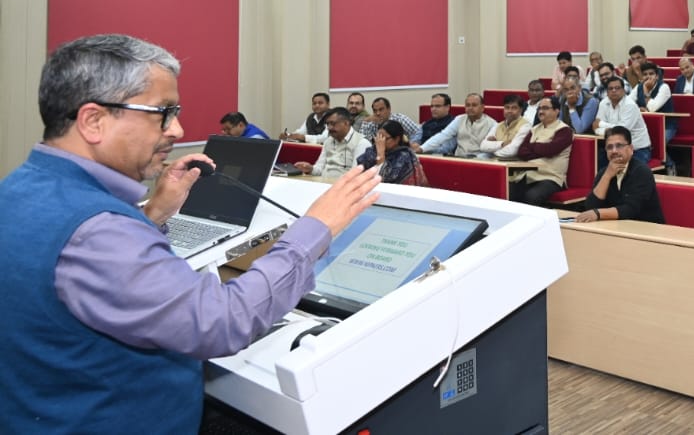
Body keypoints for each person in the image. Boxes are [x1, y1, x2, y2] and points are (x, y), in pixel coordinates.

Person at [0, 34, 380, 432]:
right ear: (94, 120)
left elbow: (86, 274)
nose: (178, 129)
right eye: (162, 112)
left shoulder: (22, 188)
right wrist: (314, 229)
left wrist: (155, 214)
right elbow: (222, 321)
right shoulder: (98, 231)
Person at [575, 126, 664, 224]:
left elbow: (631, 209)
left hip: (647, 228)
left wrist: (598, 213)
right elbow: (591, 206)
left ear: (631, 149)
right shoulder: (604, 172)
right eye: (609, 147)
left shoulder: (641, 171)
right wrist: (607, 176)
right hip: (617, 226)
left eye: (619, 146)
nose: (614, 151)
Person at [510, 98, 573, 207]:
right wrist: (541, 148)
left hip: (551, 177)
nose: (541, 111)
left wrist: (532, 146)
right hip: (528, 174)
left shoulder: (564, 130)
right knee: (507, 191)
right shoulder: (534, 129)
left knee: (531, 196)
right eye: (539, 108)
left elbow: (550, 150)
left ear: (556, 111)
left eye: (545, 108)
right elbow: (522, 152)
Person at [594, 76, 652, 167]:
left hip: (637, 149)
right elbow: (595, 127)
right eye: (610, 88)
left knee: (629, 173)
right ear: (607, 92)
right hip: (614, 148)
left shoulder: (630, 105)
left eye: (617, 88)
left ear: (624, 90)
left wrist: (602, 125)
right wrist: (601, 128)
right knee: (596, 163)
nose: (614, 91)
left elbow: (622, 132)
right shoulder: (603, 103)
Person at [296, 108, 371, 177]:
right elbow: (319, 169)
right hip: (323, 183)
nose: (329, 128)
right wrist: (310, 169)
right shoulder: (328, 141)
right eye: (327, 124)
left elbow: (356, 174)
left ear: (346, 123)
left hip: (343, 187)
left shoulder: (361, 143)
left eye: (333, 123)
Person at [356, 121, 427, 186]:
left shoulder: (405, 156)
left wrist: (380, 155)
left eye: (384, 138)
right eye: (378, 137)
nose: (379, 141)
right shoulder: (372, 151)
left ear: (396, 139)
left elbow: (386, 180)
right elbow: (360, 171)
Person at [631, 61, 675, 146]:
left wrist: (646, 92)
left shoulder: (664, 87)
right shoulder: (638, 87)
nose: (648, 77)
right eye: (645, 74)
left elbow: (652, 108)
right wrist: (638, 109)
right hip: (645, 126)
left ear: (657, 76)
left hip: (666, 126)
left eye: (651, 74)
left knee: (657, 145)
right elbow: (628, 104)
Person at [482, 94, 532, 159]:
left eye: (514, 108)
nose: (509, 111)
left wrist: (492, 149)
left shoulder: (525, 126)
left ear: (521, 110)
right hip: (495, 160)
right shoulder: (498, 125)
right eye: (507, 107)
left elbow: (512, 151)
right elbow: (483, 146)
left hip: (515, 162)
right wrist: (502, 144)